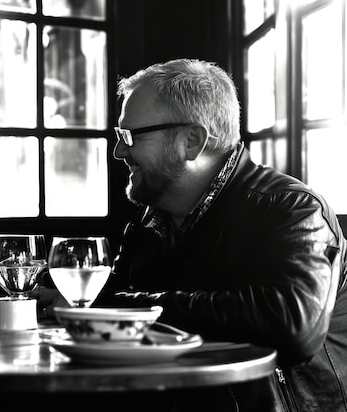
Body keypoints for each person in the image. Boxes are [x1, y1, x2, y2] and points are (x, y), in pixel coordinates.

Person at [91, 58, 347, 411]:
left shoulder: (292, 209)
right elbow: (106, 306)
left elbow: (290, 325)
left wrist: (129, 307)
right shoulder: (145, 226)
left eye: (129, 136)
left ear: (192, 141)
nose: (119, 151)